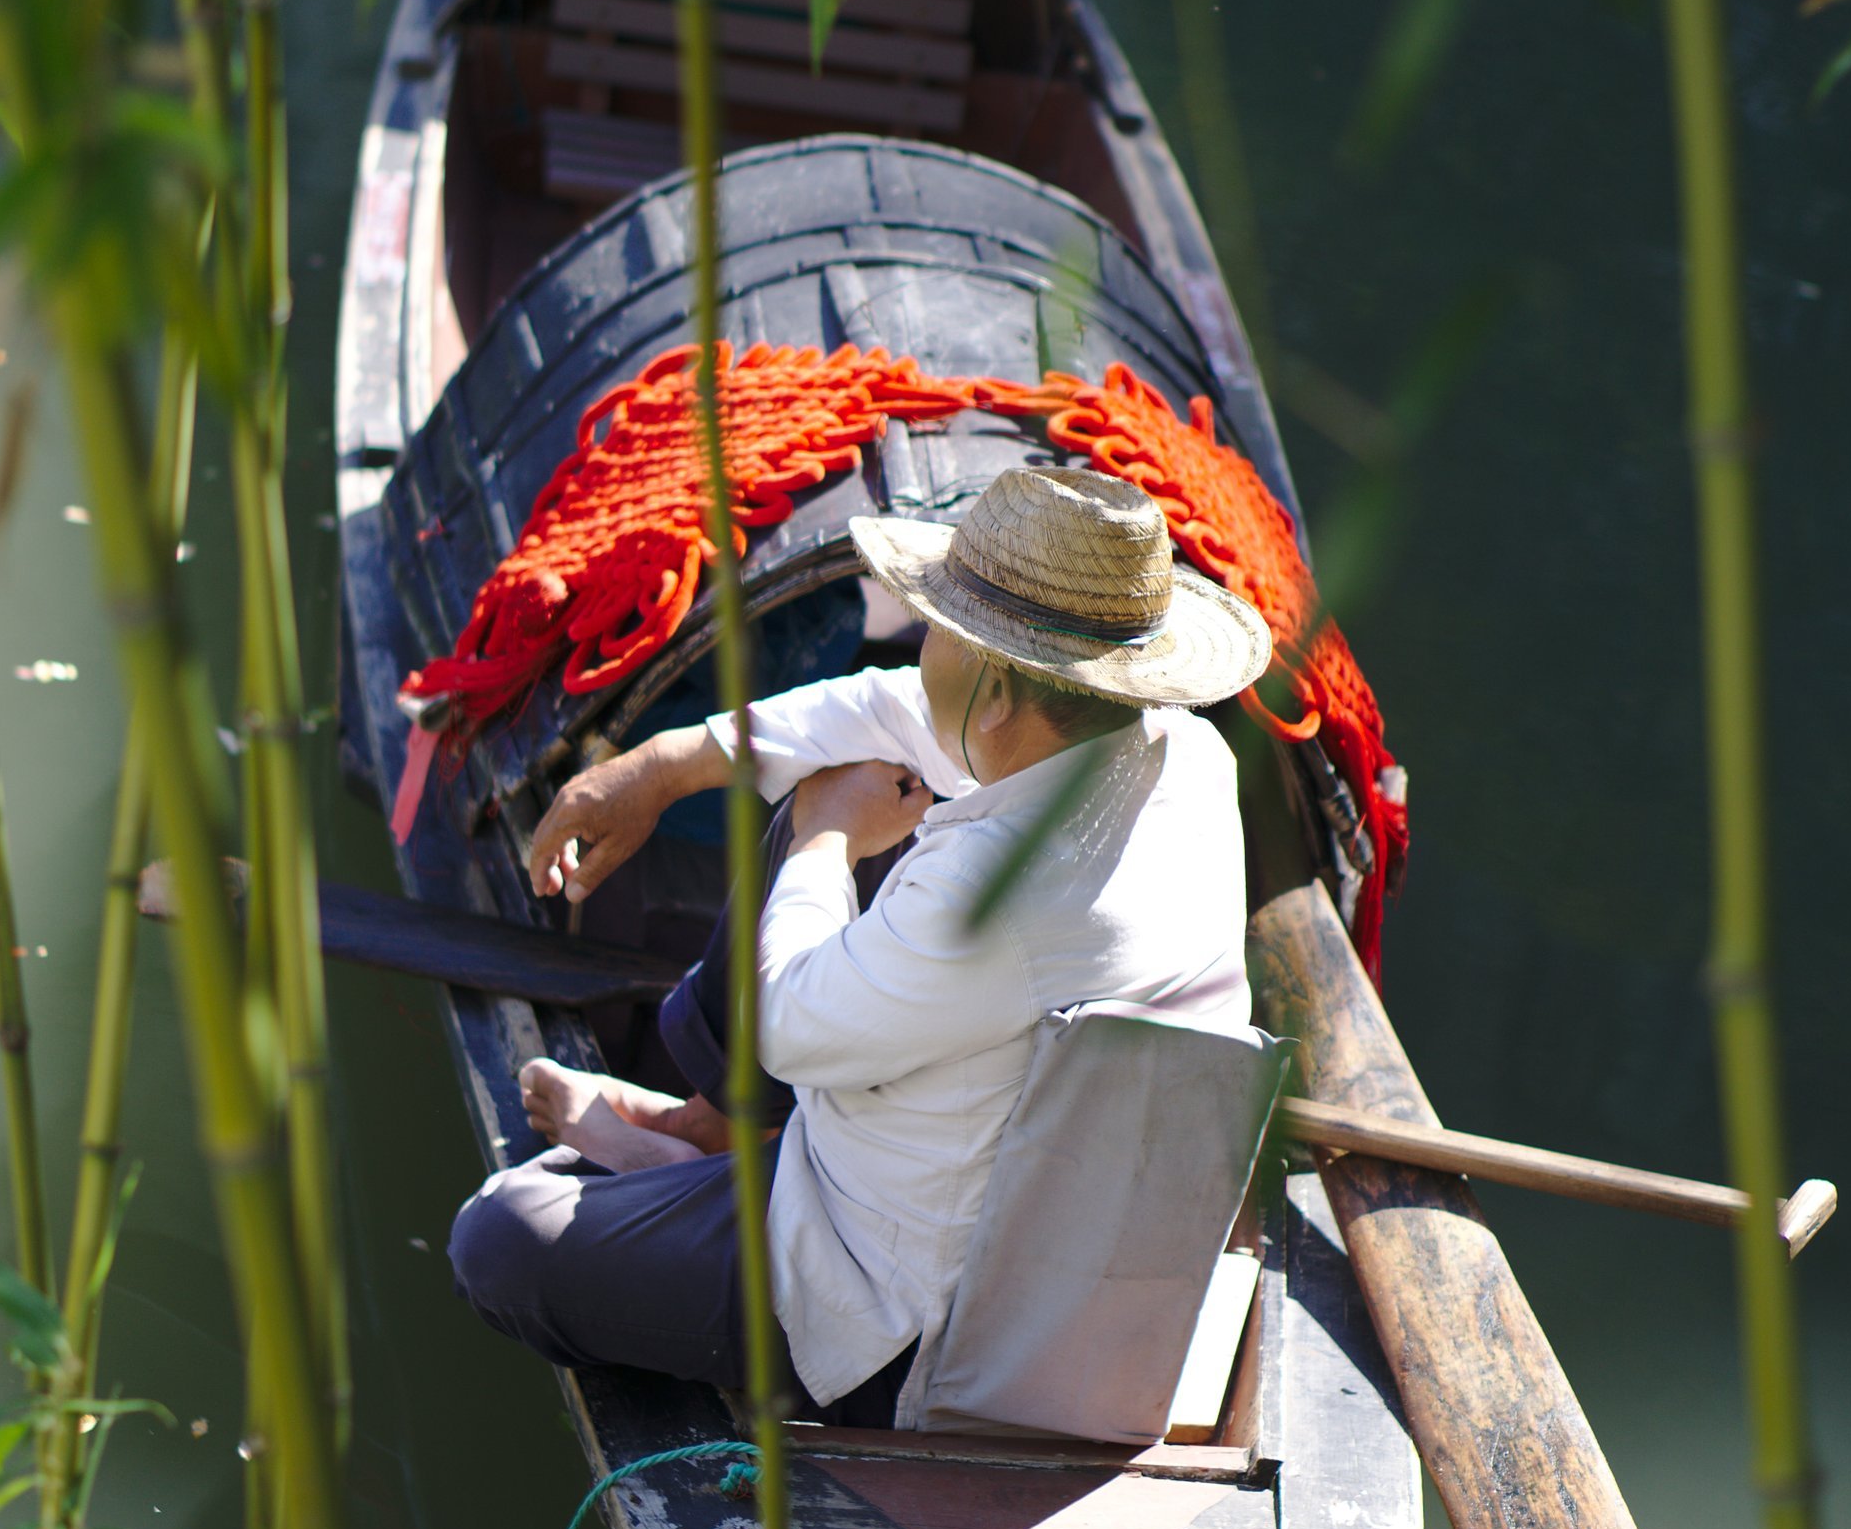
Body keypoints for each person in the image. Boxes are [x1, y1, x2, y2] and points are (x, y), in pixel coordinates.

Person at [447, 463, 1272, 1425]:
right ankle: (712, 1135)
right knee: (829, 781)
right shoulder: (1179, 753)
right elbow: (888, 711)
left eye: (940, 632)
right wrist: (668, 765)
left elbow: (789, 1026)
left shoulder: (993, 902)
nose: (920, 646)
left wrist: (825, 837)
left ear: (998, 689)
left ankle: (689, 1171)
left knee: (499, 1241)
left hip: (907, 1317)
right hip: (1034, 1212)